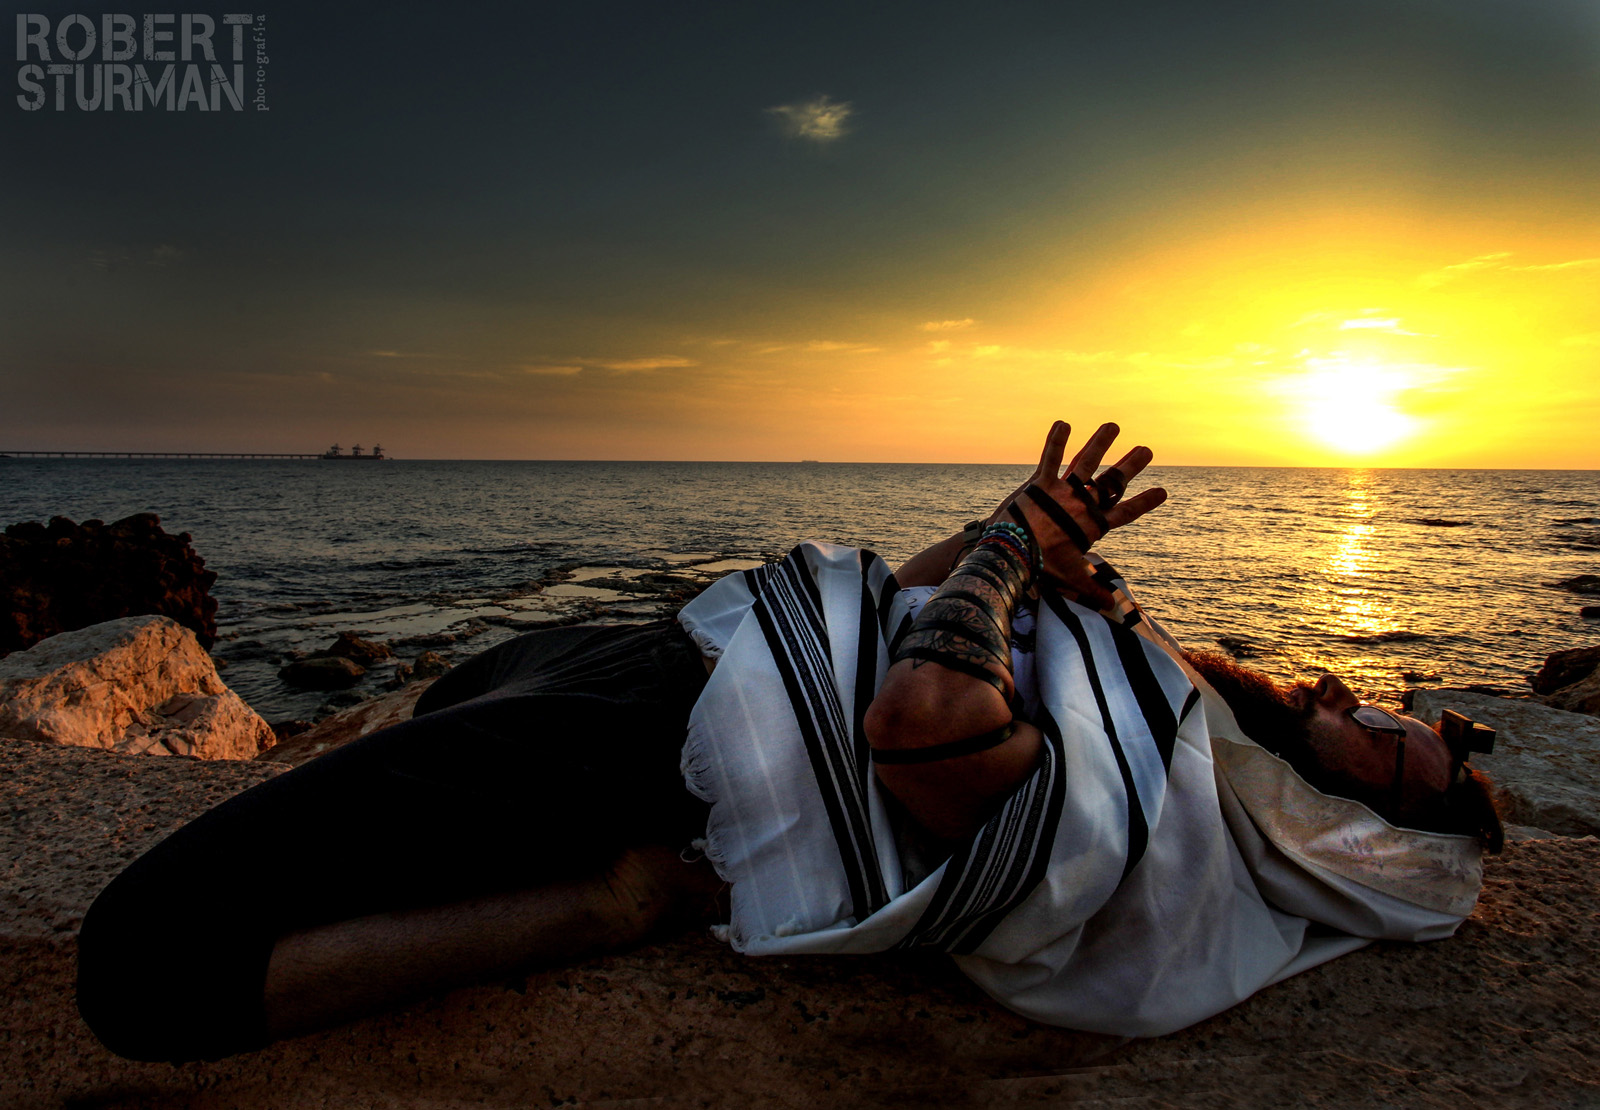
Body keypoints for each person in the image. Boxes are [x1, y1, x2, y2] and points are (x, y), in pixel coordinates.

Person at [75, 421, 1501, 1062]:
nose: (1350, 704)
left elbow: (919, 719)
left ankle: (609, 900)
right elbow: (907, 596)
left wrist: (1014, 547)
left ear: (1342, 826)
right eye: (1384, 708)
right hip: (666, 647)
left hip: (649, 748)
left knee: (141, 966)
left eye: (1382, 753)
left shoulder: (1130, 826)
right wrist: (1021, 522)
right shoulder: (1167, 710)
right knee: (454, 697)